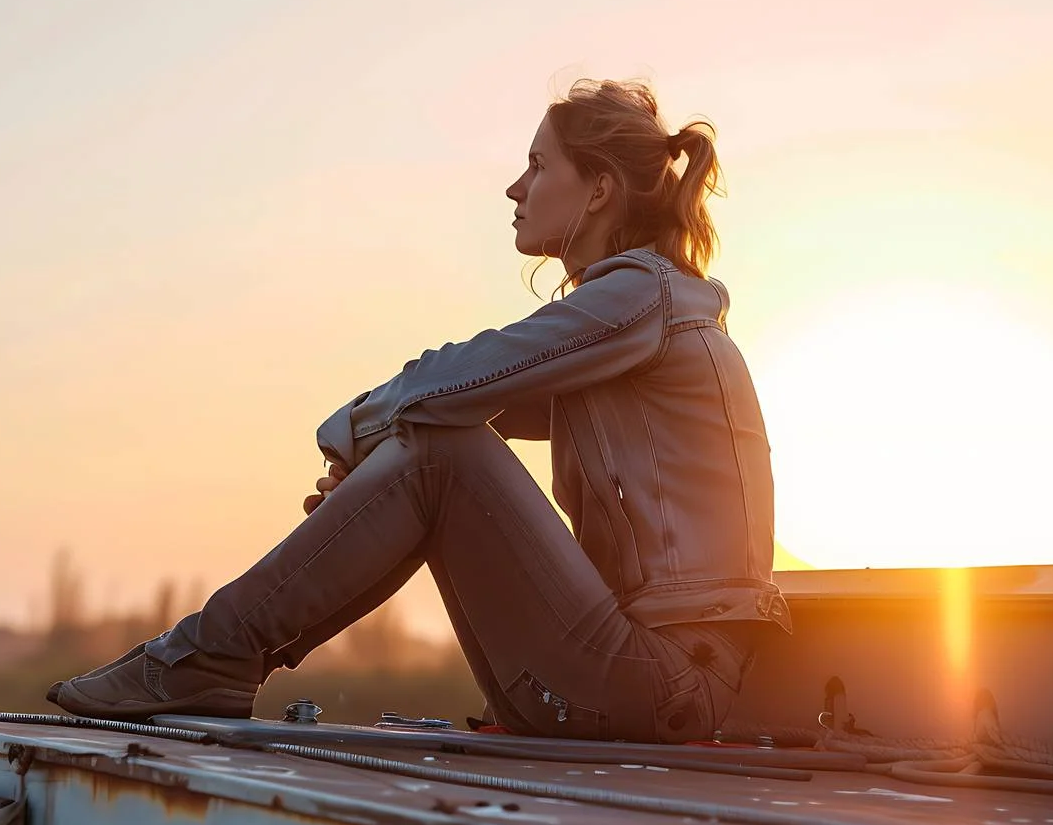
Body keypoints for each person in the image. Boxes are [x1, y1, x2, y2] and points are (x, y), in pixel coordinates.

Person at [47, 78, 792, 743]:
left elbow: (456, 382)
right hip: (625, 678)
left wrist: (350, 432)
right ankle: (207, 658)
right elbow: (460, 405)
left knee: (440, 449)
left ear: (598, 189)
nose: (514, 188)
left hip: (662, 683)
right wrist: (380, 466)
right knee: (437, 440)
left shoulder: (644, 296)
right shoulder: (636, 317)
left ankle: (202, 657)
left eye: (537, 165)